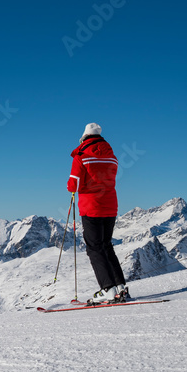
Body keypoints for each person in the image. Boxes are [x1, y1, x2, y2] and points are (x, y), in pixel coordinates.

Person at [66, 123, 129, 303]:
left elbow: (74, 184)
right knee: (106, 246)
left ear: (84, 138)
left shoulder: (81, 156)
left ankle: (107, 289)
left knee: (94, 248)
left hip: (91, 207)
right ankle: (121, 288)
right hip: (110, 205)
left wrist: (70, 186)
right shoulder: (112, 157)